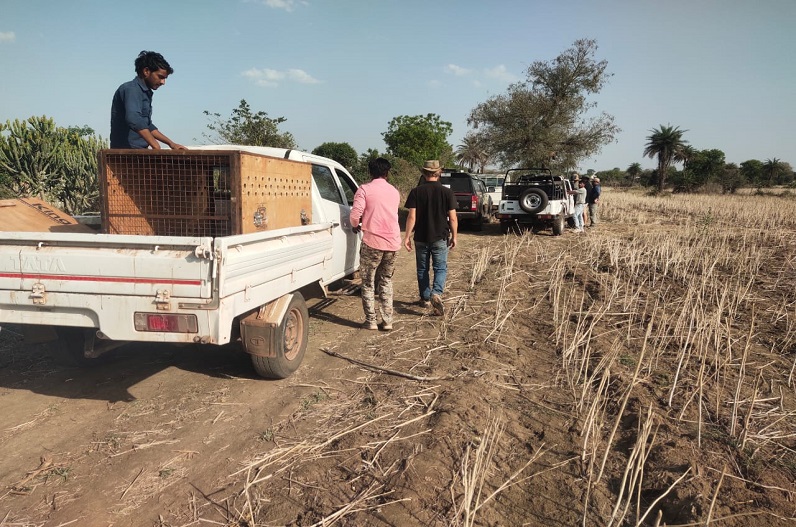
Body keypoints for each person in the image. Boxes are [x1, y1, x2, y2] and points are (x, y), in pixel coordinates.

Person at [349, 158, 402, 331]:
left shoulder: (364, 189)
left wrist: (355, 224)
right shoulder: (395, 191)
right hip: (393, 243)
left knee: (368, 282)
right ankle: (387, 320)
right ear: (387, 173)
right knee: (386, 281)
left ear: (370, 172)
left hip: (372, 242)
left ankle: (371, 320)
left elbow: (355, 213)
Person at [403, 160, 458, 316]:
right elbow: (453, 218)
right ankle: (436, 293)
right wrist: (455, 236)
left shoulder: (416, 192)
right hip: (440, 237)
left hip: (420, 236)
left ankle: (425, 298)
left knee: (422, 269)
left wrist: (407, 236)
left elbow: (411, 217)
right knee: (440, 268)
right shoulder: (447, 193)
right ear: (439, 173)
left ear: (423, 173)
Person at [111, 50, 186, 150]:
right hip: (126, 153)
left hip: (139, 151)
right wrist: (155, 146)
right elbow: (134, 119)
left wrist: (171, 144)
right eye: (160, 77)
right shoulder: (131, 89)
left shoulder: (145, 92)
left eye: (165, 78)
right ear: (146, 71)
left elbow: (147, 125)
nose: (163, 82)